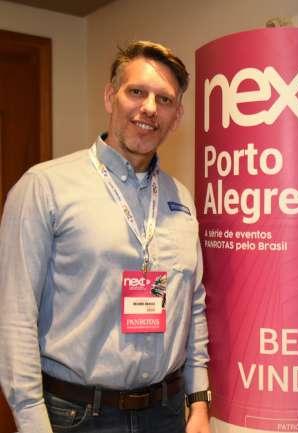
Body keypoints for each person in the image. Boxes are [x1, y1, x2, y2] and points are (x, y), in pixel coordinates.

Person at [0, 41, 211, 433]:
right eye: (137, 92)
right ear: (110, 96)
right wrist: (32, 422)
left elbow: (192, 306)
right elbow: (15, 317)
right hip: (77, 416)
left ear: (177, 116)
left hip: (166, 414)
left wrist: (198, 403)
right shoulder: (44, 187)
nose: (150, 108)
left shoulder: (180, 199)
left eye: (164, 99)